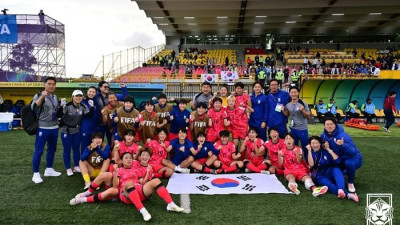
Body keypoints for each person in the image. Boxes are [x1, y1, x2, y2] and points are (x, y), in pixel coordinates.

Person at [114, 149, 185, 221]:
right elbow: (115, 185)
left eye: (130, 158)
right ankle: (143, 211)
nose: (128, 160)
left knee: (156, 180)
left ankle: (171, 204)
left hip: (139, 190)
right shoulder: (120, 170)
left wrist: (148, 171)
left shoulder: (137, 170)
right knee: (129, 183)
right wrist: (115, 171)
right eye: (126, 158)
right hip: (126, 193)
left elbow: (142, 182)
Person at [306, 136, 359, 202]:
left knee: (336, 169)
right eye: (313, 143)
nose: (315, 145)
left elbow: (338, 160)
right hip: (319, 175)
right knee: (329, 185)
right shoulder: (309, 153)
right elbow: (311, 164)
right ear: (310, 145)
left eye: (317, 143)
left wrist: (329, 149)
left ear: (320, 143)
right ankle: (349, 195)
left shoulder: (325, 151)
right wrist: (309, 151)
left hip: (329, 170)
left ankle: (340, 189)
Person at [31, 77, 62, 184]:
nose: (51, 86)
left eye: (53, 84)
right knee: (39, 151)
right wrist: (41, 97)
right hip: (42, 127)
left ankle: (49, 169)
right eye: (49, 84)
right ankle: (35, 174)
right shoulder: (39, 95)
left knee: (52, 149)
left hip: (54, 127)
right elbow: (33, 107)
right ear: (45, 85)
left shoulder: (55, 96)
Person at [321, 118, 363, 192]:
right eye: (327, 124)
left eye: (331, 124)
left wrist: (342, 145)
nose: (329, 126)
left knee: (349, 163)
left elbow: (352, 152)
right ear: (324, 126)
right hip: (340, 158)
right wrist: (324, 146)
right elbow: (322, 147)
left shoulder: (343, 135)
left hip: (353, 158)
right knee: (332, 171)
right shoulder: (323, 136)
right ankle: (345, 172)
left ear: (335, 125)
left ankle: (350, 182)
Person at [59, 90, 94, 176]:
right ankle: (68, 168)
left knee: (76, 149)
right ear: (72, 97)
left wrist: (92, 107)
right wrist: (61, 106)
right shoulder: (67, 105)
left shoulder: (82, 106)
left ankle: (76, 166)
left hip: (76, 131)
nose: (78, 98)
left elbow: (88, 115)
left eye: (80, 96)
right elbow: (59, 115)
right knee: (67, 149)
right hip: (66, 131)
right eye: (76, 96)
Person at [282, 86, 311, 155]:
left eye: (295, 92)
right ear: (289, 94)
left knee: (305, 147)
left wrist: (303, 110)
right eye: (292, 92)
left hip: (302, 129)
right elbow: (287, 114)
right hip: (293, 129)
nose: (293, 94)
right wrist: (283, 111)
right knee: (293, 147)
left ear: (298, 93)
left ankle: (308, 162)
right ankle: (294, 161)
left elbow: (308, 115)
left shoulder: (303, 103)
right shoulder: (288, 104)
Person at [80, 86, 99, 155]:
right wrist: (91, 107)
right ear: (87, 92)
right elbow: (87, 115)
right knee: (85, 146)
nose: (91, 93)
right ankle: (82, 162)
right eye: (90, 91)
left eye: (93, 92)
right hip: (85, 128)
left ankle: (90, 162)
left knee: (93, 146)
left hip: (94, 128)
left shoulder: (96, 102)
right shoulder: (82, 102)